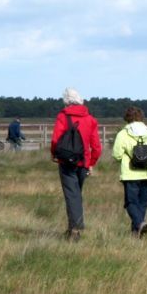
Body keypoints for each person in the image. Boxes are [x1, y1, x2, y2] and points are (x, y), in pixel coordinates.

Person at [50, 87, 102, 242]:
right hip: (83, 163)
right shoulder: (91, 119)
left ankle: (75, 229)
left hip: (66, 162)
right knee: (76, 195)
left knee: (72, 196)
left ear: (66, 101)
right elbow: (97, 147)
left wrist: (54, 154)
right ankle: (72, 227)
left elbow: (55, 140)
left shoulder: (62, 116)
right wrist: (91, 163)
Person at [111, 106, 147, 238]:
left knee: (131, 203)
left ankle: (139, 224)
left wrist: (129, 159)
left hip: (130, 174)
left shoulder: (123, 134)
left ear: (127, 118)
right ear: (141, 117)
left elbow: (117, 155)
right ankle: (136, 233)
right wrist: (145, 159)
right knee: (143, 203)